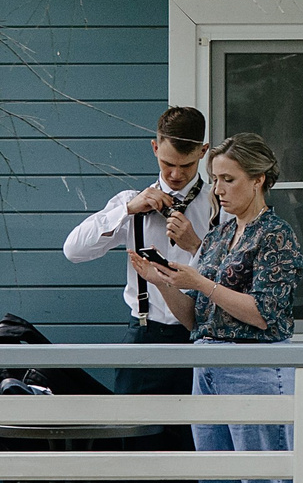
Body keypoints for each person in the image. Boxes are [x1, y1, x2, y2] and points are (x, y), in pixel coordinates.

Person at [129, 132, 303, 483]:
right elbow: (196, 317)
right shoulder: (223, 235)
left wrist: (200, 279)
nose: (219, 190)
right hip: (206, 368)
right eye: (215, 180)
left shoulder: (277, 236)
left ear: (259, 179)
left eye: (228, 180)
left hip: (255, 371)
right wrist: (162, 282)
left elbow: (266, 313)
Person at [62, 106, 223, 394]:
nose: (174, 174)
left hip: (203, 339)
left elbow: (233, 277)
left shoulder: (220, 205)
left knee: (197, 437)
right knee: (135, 435)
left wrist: (196, 246)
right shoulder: (130, 203)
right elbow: (73, 251)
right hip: (143, 336)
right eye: (167, 163)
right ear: (154, 147)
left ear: (203, 152)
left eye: (185, 166)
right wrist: (126, 210)